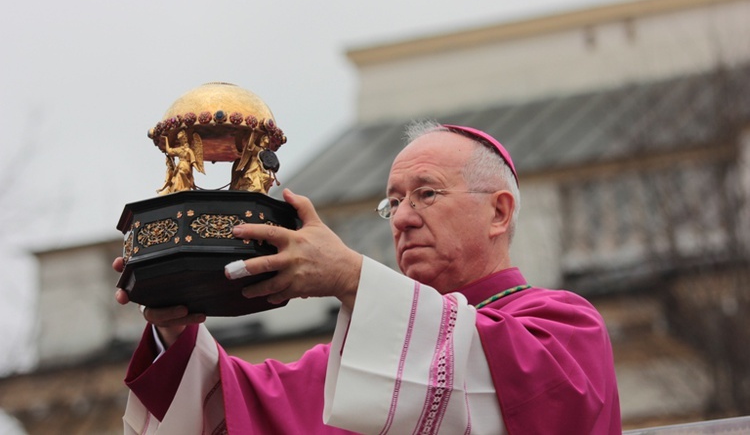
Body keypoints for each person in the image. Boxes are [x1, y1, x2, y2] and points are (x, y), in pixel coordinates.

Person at [114, 121, 621, 434]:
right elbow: (238, 407)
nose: (401, 218)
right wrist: (175, 327)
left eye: (427, 194)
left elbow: (540, 408)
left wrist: (352, 277)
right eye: (394, 202)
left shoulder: (564, 328)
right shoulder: (359, 359)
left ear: (498, 213)